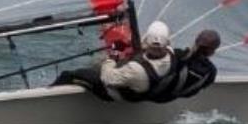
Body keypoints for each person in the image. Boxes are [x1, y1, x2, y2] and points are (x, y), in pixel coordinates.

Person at [52, 20, 180, 103]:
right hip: (144, 85)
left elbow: (107, 78)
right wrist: (128, 44)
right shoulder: (171, 54)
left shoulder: (136, 70)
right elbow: (153, 48)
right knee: (98, 65)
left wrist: (112, 57)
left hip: (113, 92)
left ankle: (49, 94)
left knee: (69, 74)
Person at [151, 29, 221, 103]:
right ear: (213, 51)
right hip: (165, 99)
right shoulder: (211, 72)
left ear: (196, 42)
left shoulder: (178, 54)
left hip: (150, 92)